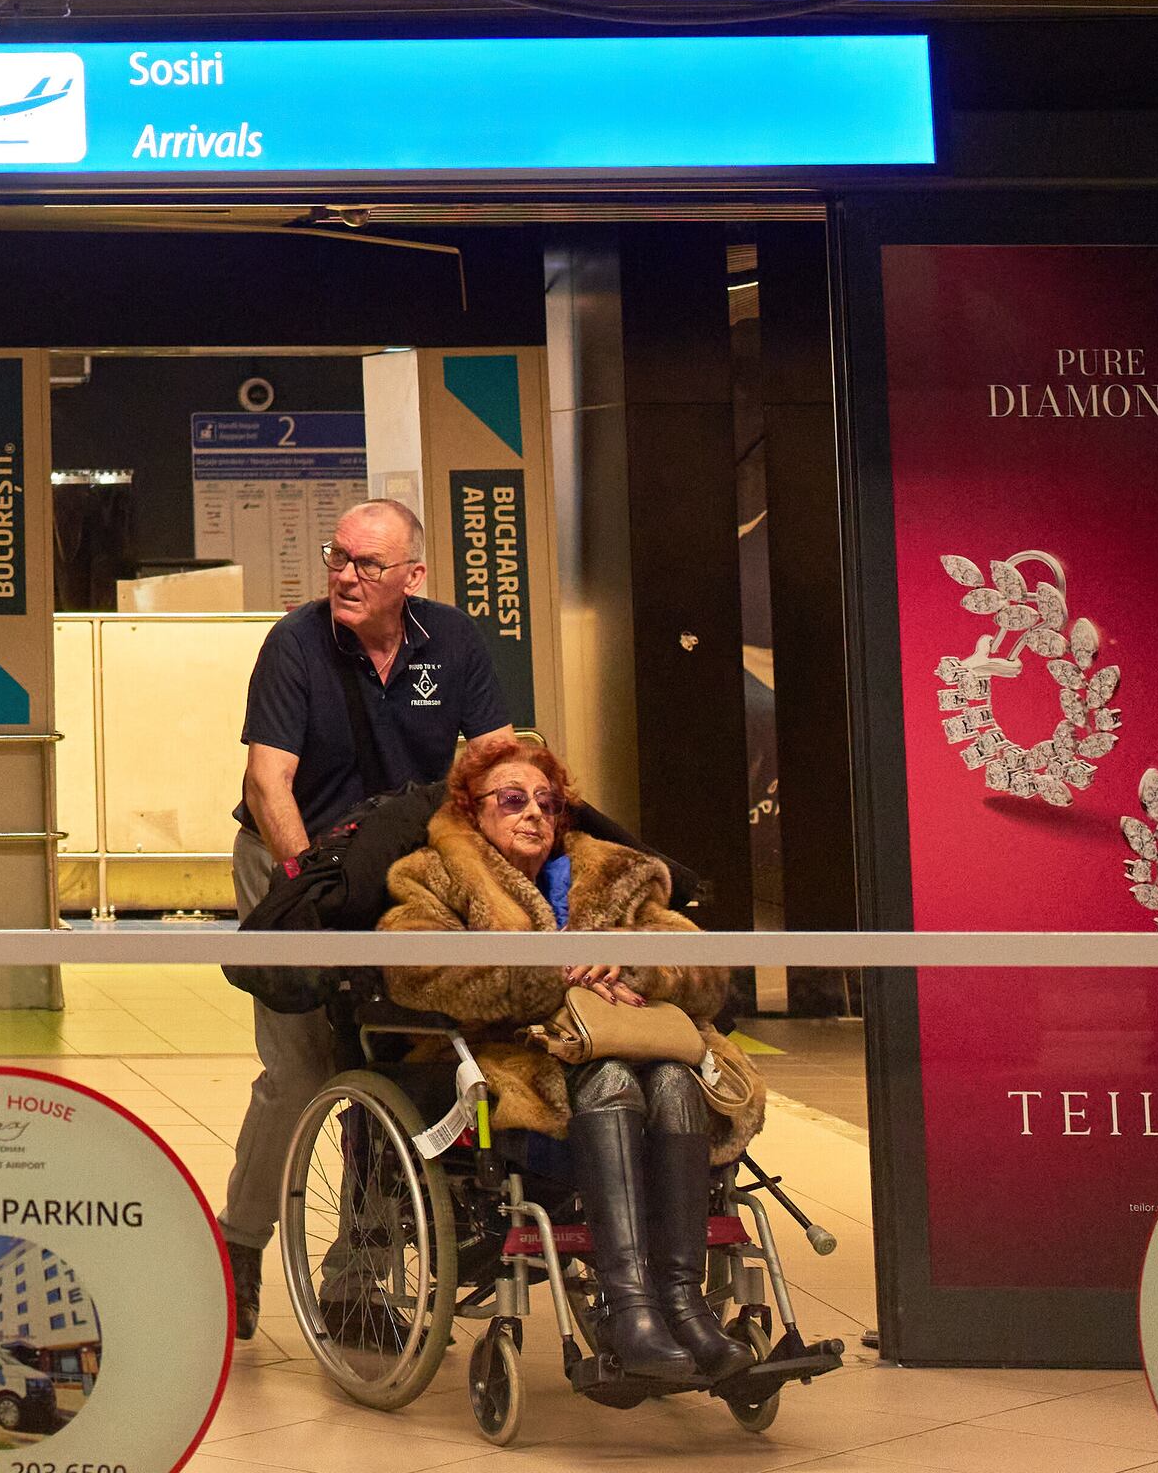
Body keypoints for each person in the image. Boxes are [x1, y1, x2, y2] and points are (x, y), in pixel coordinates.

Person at [380, 735, 765, 1384]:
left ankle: (684, 1304)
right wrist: (553, 977)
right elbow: (413, 969)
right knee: (612, 1079)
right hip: (516, 1057)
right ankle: (631, 1309)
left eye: (548, 802)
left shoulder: (616, 872)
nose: (534, 812)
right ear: (473, 808)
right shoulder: (434, 876)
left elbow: (702, 965)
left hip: (638, 1044)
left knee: (675, 1080)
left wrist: (635, 963)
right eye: (513, 799)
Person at [219, 497, 513, 1340]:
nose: (345, 576)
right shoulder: (297, 643)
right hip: (291, 862)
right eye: (337, 557)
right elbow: (267, 783)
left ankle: (357, 1275)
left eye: (367, 565)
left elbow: (498, 765)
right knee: (304, 1068)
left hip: (397, 875)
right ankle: (239, 1242)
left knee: (394, 1063)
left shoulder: (451, 643)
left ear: (411, 576)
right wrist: (310, 888)